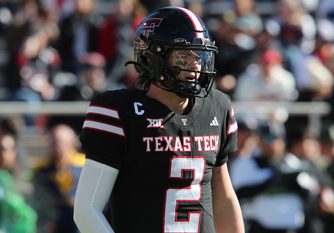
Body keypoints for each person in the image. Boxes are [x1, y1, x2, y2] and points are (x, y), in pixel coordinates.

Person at [74, 6, 245, 233]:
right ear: (153, 57)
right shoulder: (120, 111)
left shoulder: (217, 107)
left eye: (199, 55)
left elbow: (223, 199)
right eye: (183, 55)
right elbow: (86, 209)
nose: (195, 65)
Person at [31, 124, 85, 233]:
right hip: (53, 223)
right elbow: (40, 201)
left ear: (71, 143)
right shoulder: (41, 170)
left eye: (60, 142)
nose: (56, 147)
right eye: (53, 142)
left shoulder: (85, 166)